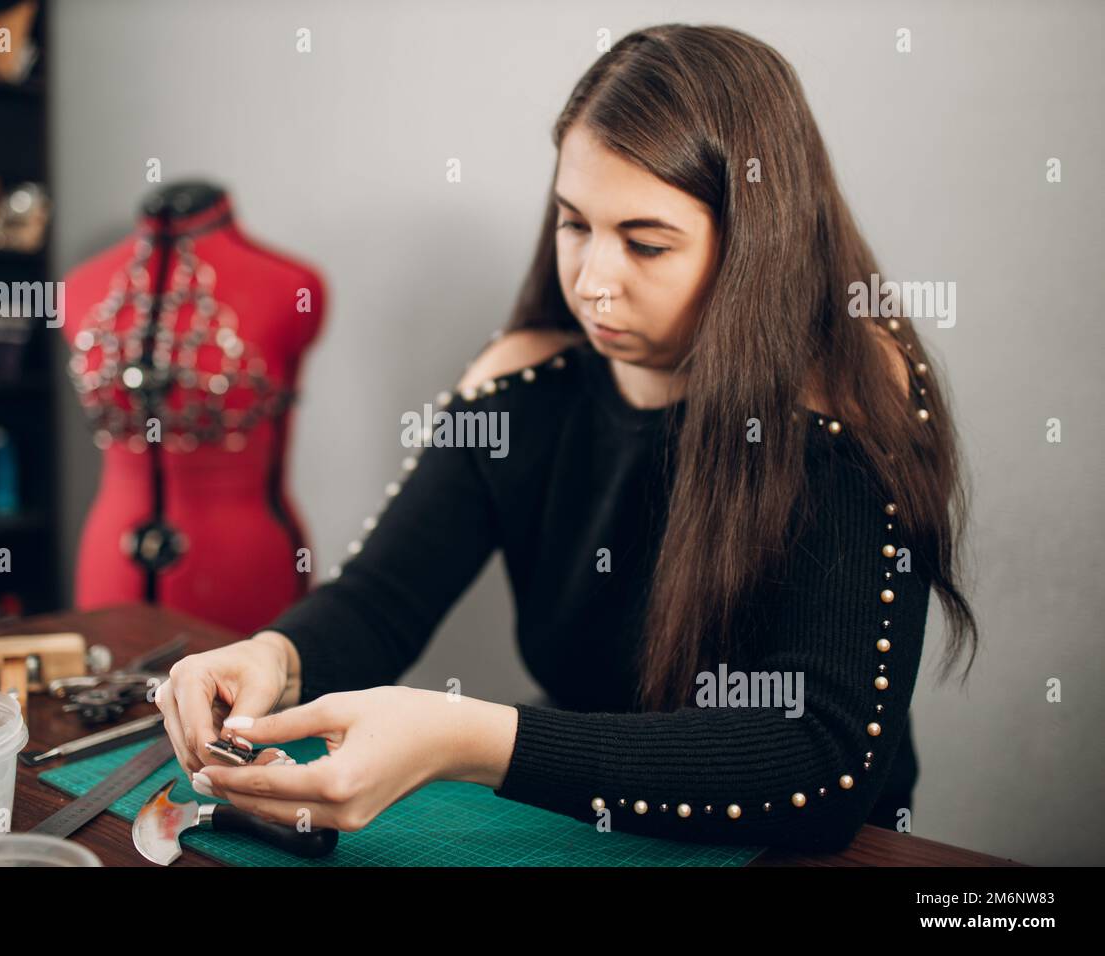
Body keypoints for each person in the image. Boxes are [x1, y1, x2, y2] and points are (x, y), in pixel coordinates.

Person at [154, 23, 978, 852]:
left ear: (758, 242)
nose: (592, 283)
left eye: (646, 243)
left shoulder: (845, 399)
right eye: (574, 224)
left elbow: (822, 764)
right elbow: (380, 601)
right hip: (590, 820)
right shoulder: (520, 388)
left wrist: (468, 740)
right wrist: (275, 657)